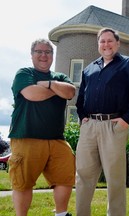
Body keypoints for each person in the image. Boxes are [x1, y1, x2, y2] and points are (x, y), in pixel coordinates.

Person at [75, 27, 129, 216]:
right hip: (89, 126)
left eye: (109, 41)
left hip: (114, 126)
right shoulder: (89, 69)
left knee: (115, 178)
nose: (106, 44)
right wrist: (83, 117)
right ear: (98, 44)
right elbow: (80, 98)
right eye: (102, 41)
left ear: (117, 43)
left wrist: (126, 120)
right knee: (83, 176)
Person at [8, 39, 76, 216]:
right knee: (23, 182)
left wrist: (47, 84)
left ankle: (61, 214)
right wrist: (56, 90)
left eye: (48, 52)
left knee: (65, 177)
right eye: (39, 51)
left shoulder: (60, 77)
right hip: (26, 137)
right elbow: (32, 94)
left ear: (53, 56)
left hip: (57, 139)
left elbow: (70, 92)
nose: (44, 55)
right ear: (32, 55)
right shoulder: (24, 73)